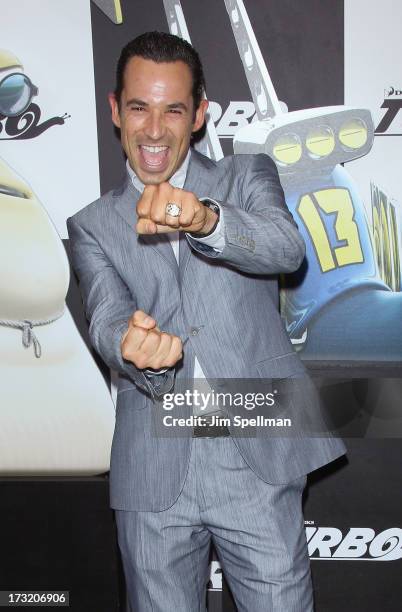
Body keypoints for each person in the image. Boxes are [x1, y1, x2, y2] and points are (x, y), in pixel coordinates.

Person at [67, 31, 346, 612]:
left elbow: (283, 249)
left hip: (256, 447)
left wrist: (204, 218)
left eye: (174, 109)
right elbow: (105, 314)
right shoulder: (92, 225)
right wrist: (128, 345)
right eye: (139, 106)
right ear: (115, 109)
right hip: (152, 458)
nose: (153, 129)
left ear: (199, 115)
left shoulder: (246, 176)